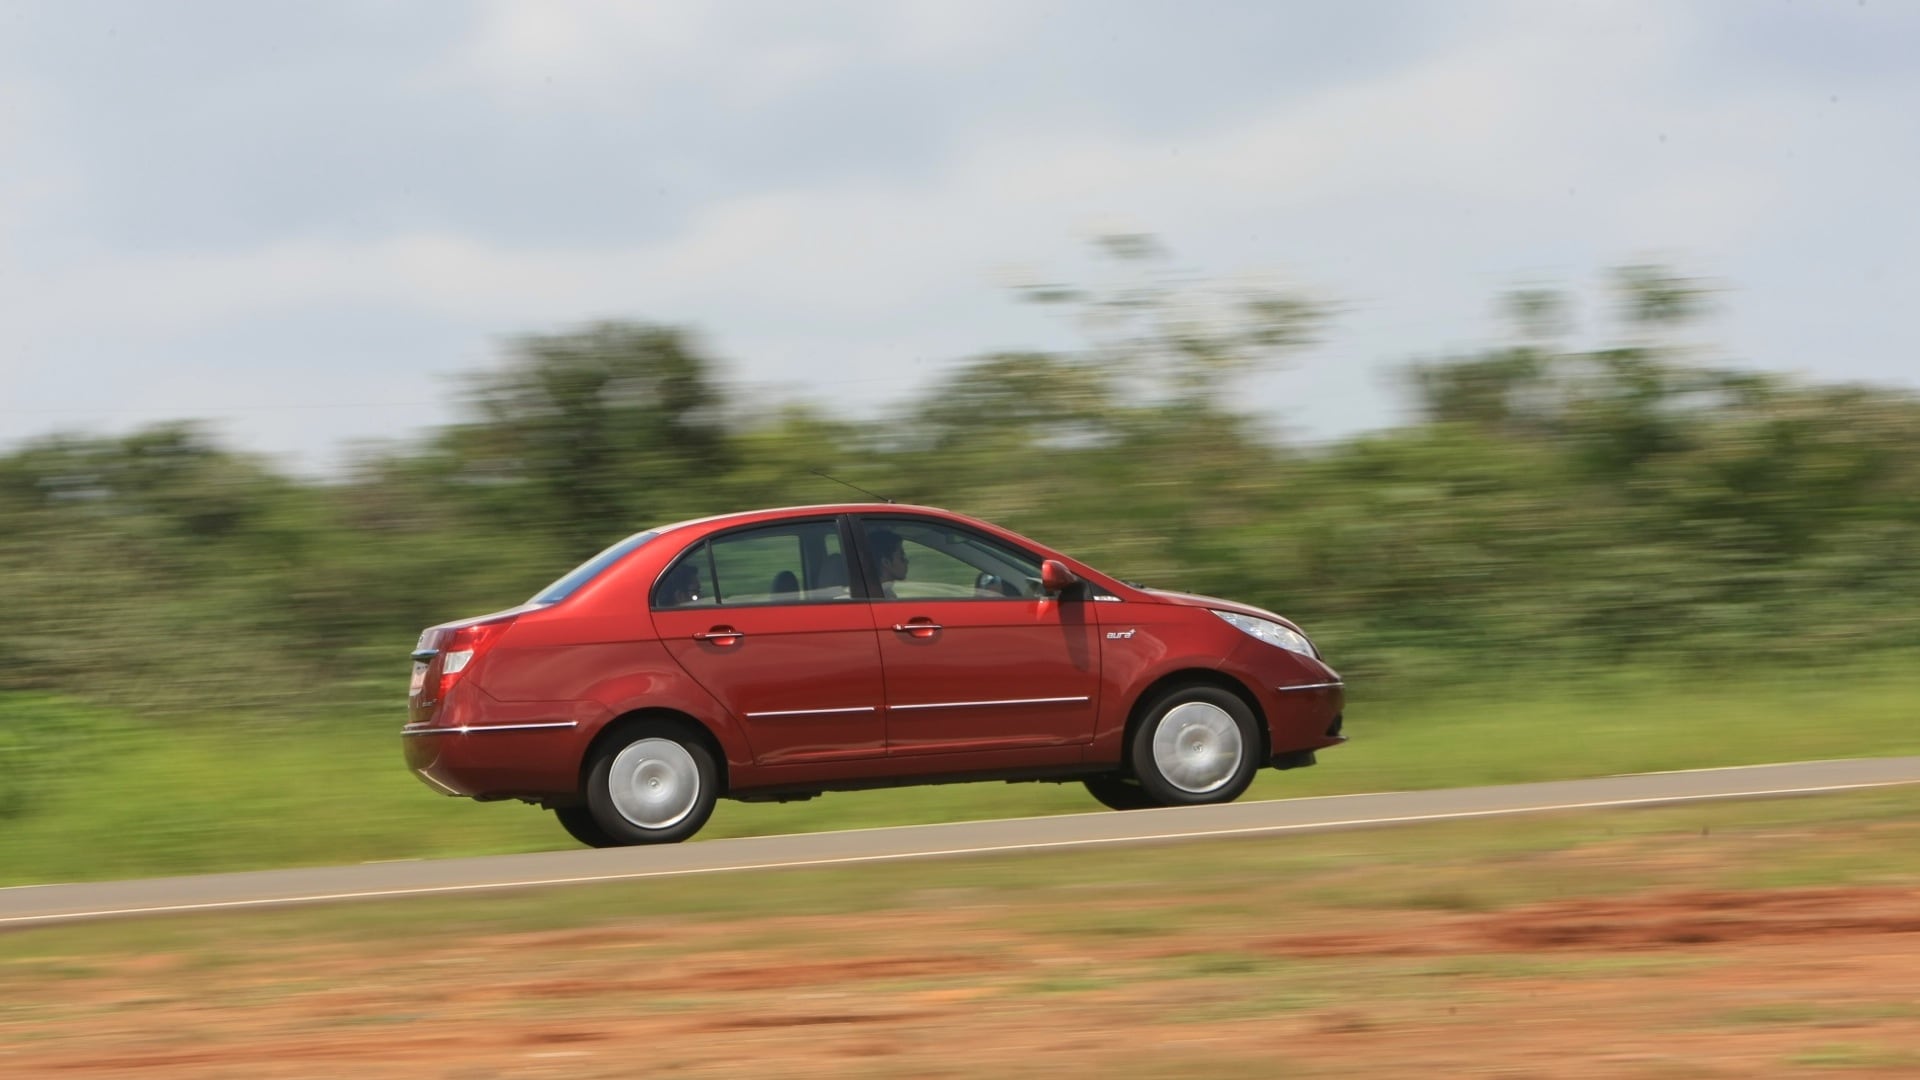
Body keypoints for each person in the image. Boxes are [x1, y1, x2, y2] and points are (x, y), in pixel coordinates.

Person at [870, 529, 908, 599]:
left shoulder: (874, 593)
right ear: (886, 562)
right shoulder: (884, 597)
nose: (907, 561)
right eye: (901, 557)